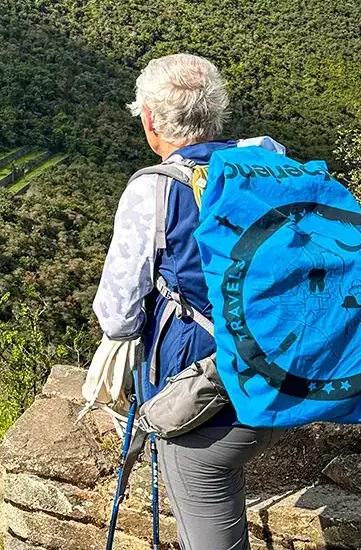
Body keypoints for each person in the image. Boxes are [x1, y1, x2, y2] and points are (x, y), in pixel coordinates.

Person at [92, 53, 284, 550]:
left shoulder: (153, 190)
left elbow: (117, 314)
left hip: (203, 400)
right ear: (215, 112)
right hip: (285, 377)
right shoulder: (268, 162)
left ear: (151, 119)